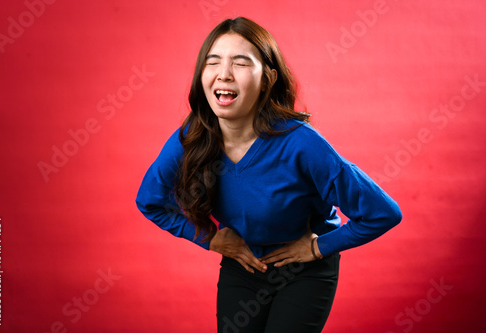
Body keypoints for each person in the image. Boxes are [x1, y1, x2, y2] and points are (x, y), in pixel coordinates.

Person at [136, 17, 402, 333]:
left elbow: (384, 213)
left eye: (240, 63)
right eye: (213, 62)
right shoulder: (193, 135)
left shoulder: (303, 144)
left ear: (267, 79)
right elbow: (149, 201)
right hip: (244, 266)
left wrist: (319, 248)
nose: (224, 74)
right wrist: (209, 238)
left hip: (304, 270)